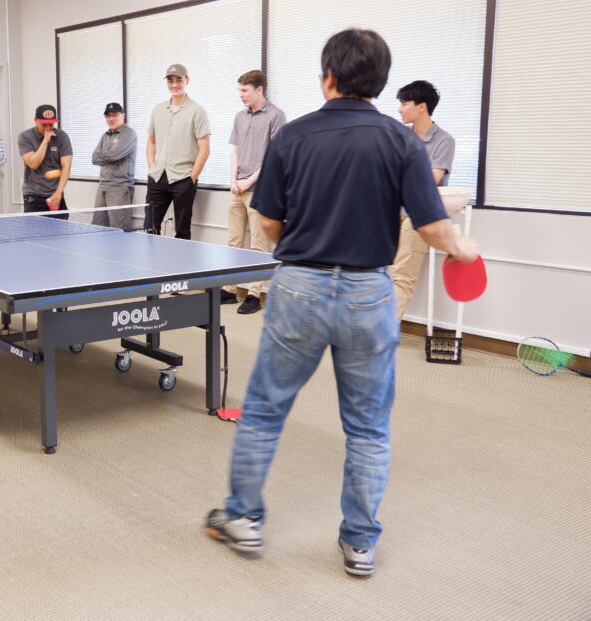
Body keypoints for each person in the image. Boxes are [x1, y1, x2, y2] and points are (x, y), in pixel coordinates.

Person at [204, 29, 478, 576]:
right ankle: (358, 543)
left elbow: (269, 221)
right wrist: (463, 248)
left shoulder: (295, 136)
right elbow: (431, 226)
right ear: (378, 83)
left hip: (299, 286)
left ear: (328, 76)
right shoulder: (403, 142)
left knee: (263, 411)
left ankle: (243, 519)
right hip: (367, 294)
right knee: (369, 427)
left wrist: (306, 252)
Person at [221, 71, 287, 314]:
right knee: (233, 243)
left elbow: (273, 157)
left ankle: (254, 294)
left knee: (258, 245)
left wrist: (249, 181)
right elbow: (235, 152)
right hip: (236, 188)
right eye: (239, 90)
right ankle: (229, 289)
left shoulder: (276, 116)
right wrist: (234, 181)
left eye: (244, 90)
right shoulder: (240, 116)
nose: (241, 95)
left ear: (259, 89)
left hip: (260, 189)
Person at [392, 80, 457, 321]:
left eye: (404, 103)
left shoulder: (444, 141)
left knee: (402, 275)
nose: (400, 109)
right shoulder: (398, 137)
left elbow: (430, 180)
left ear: (422, 107)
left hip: (417, 215)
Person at [146, 64, 210, 240]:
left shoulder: (197, 111)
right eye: (170, 80)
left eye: (179, 80)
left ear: (187, 80)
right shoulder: (158, 110)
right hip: (158, 177)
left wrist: (192, 178)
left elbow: (205, 149)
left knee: (182, 232)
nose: (174, 84)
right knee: (149, 227)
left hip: (183, 179)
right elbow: (151, 141)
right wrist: (152, 167)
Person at [91, 102, 137, 229]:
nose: (111, 119)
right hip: (102, 186)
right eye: (108, 116)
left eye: (114, 115)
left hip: (120, 187)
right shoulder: (105, 135)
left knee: (118, 230)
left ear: (123, 116)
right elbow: (94, 158)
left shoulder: (129, 134)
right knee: (97, 227)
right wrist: (109, 154)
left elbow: (114, 155)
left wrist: (105, 154)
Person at [19, 104, 72, 214]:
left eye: (51, 124)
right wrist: (45, 141)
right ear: (35, 121)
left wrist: (58, 193)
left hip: (55, 194)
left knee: (62, 229)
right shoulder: (25, 137)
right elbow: (33, 164)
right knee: (34, 230)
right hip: (33, 194)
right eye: (44, 125)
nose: (48, 128)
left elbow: (66, 166)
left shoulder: (62, 137)